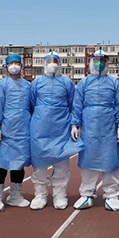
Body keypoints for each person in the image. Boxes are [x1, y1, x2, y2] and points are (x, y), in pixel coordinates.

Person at [71, 50, 119, 211]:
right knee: (88, 160)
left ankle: (112, 194)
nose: (99, 63)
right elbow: (77, 104)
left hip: (108, 126)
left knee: (110, 161)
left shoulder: (114, 83)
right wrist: (75, 124)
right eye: (96, 60)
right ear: (90, 62)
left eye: (103, 61)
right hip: (89, 127)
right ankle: (87, 193)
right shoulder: (84, 83)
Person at [30, 52, 84, 210]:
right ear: (44, 64)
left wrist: (74, 124)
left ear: (60, 64)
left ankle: (60, 195)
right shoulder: (36, 83)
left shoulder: (67, 83)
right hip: (39, 127)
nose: (52, 64)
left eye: (55, 61)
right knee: (39, 163)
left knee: (61, 162)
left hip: (61, 127)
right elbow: (32, 103)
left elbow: (74, 105)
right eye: (49, 61)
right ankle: (40, 194)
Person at [0, 53, 32, 211]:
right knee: (1, 164)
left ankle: (15, 196)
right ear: (6, 67)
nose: (14, 66)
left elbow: (32, 107)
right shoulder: (1, 85)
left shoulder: (28, 86)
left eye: (17, 63)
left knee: (18, 165)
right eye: (11, 63)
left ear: (22, 65)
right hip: (5, 130)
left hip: (23, 130)